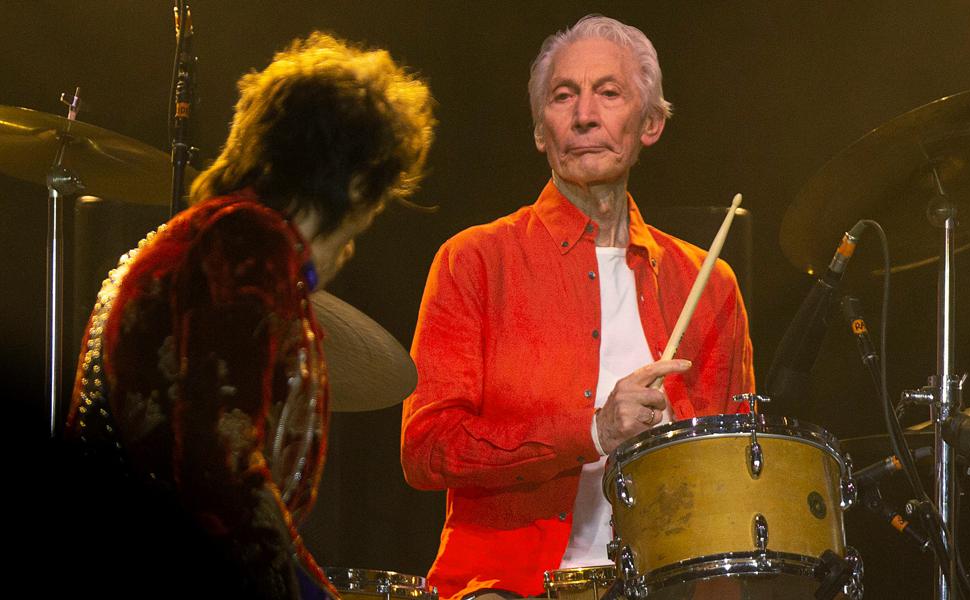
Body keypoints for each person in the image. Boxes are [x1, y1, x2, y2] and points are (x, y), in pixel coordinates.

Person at [62, 32, 435, 599]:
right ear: (356, 183)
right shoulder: (248, 241)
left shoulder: (209, 237)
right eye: (374, 201)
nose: (361, 232)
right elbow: (221, 467)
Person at [401, 15, 754, 599]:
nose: (585, 115)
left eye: (609, 94)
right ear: (542, 130)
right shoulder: (476, 261)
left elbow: (736, 470)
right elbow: (427, 448)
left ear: (652, 123)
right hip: (504, 586)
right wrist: (591, 430)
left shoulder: (709, 282)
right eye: (564, 97)